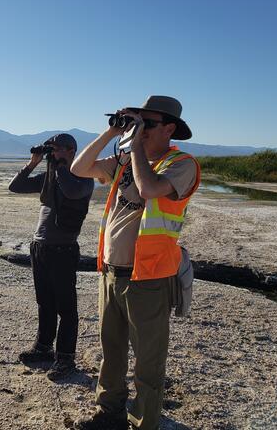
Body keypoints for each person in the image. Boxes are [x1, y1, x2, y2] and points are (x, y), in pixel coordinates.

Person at [70, 96, 200, 430]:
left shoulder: (181, 164)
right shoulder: (125, 162)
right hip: (112, 273)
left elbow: (149, 188)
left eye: (149, 124)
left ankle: (144, 423)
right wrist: (111, 132)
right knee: (111, 351)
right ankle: (109, 413)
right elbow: (79, 168)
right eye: (137, 123)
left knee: (148, 361)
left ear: (169, 128)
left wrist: (135, 147)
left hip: (150, 278)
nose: (140, 130)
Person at [8, 133, 94, 381]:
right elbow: (15, 187)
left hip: (63, 250)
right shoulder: (50, 176)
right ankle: (43, 348)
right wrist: (33, 162)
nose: (52, 154)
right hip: (40, 247)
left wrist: (59, 166)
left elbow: (71, 190)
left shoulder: (82, 177)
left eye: (56, 150)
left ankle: (65, 359)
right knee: (44, 302)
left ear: (70, 150)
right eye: (51, 150)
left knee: (66, 308)